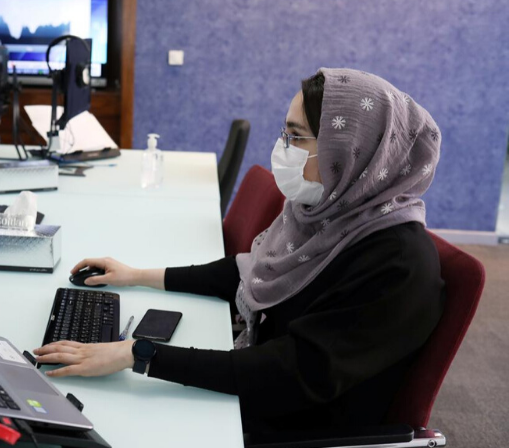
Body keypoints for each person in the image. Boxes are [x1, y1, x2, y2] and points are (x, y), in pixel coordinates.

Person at [33, 68, 446, 434]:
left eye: (297, 136)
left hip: (292, 423)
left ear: (351, 151)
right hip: (258, 385)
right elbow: (249, 270)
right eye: (286, 132)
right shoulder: (326, 213)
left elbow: (291, 372)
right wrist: (136, 275)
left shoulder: (398, 264)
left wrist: (138, 354)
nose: (283, 147)